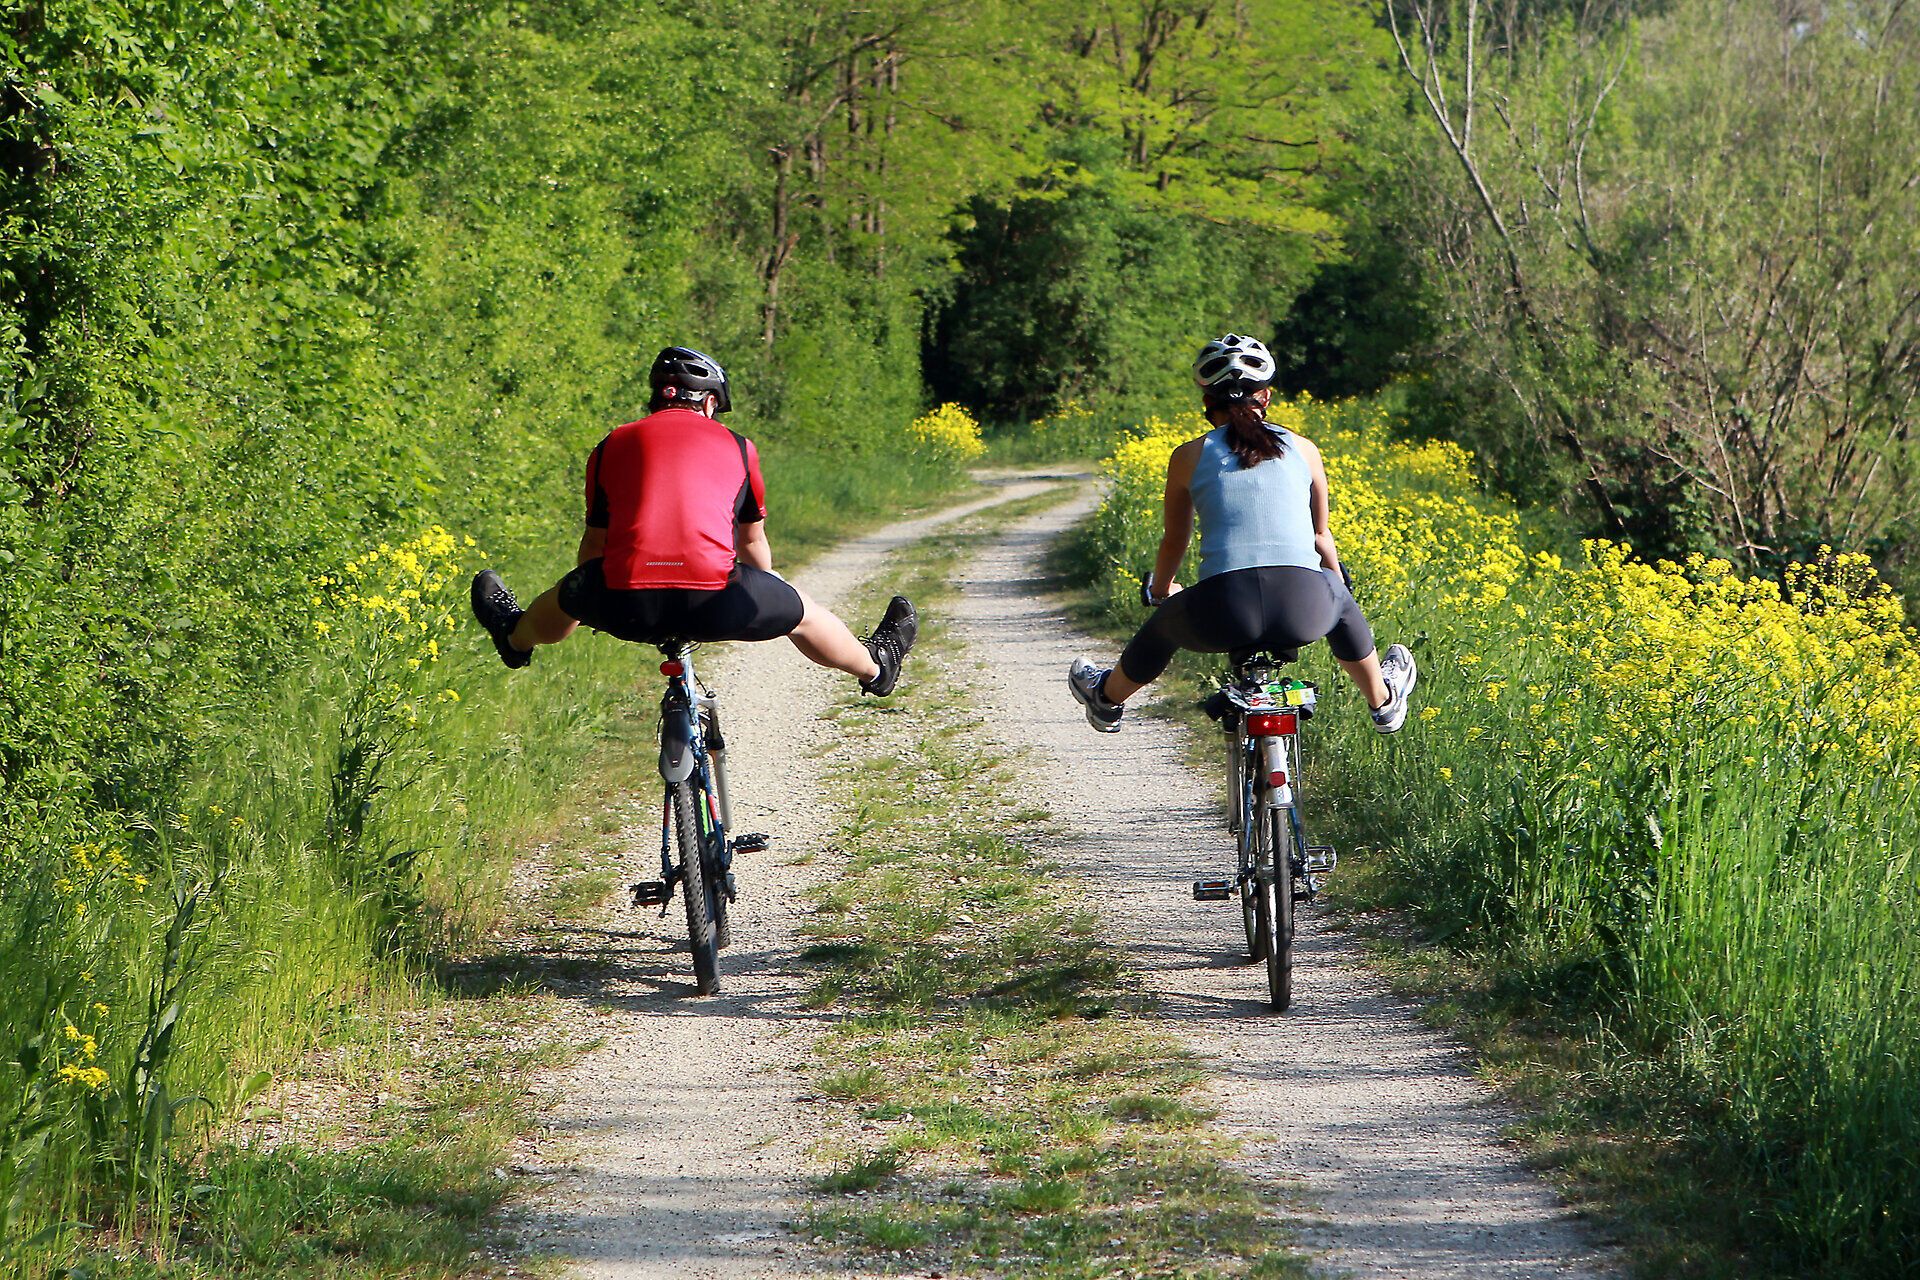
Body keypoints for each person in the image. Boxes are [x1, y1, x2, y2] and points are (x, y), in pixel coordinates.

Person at [470, 345, 917, 695]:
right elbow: (751, 541)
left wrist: (590, 597)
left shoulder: (611, 445)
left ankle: (514, 639)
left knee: (565, 594)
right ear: (707, 403)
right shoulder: (738, 447)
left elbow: (595, 548)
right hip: (719, 601)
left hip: (624, 604)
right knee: (804, 613)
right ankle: (877, 667)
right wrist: (770, 590)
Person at [1068, 333, 1416, 733]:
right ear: (1265, 397)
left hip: (1223, 610)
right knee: (1335, 592)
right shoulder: (1304, 449)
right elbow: (1321, 536)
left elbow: (1174, 541)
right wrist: (1335, 586)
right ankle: (1383, 701)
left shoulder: (1187, 456)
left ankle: (1107, 699)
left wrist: (1162, 591)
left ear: (1206, 403)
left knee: (1166, 621)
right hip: (1302, 611)